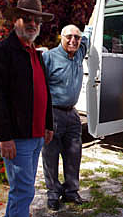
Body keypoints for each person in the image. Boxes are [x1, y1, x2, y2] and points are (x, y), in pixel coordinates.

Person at [0, 0, 54, 217]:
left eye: (37, 20)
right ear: (15, 20)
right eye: (27, 19)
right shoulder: (2, 53)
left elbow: (44, 92)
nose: (33, 24)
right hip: (16, 137)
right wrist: (4, 137)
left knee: (24, 190)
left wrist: (48, 124)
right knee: (23, 191)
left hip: (35, 136)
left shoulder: (35, 53)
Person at [41, 23, 92, 211]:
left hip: (72, 113)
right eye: (69, 36)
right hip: (52, 113)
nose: (73, 40)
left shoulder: (78, 52)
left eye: (77, 37)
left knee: (74, 153)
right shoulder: (49, 57)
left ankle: (71, 190)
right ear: (60, 37)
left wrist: (97, 2)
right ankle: (53, 193)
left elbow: (89, 31)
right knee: (50, 154)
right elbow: (39, 86)